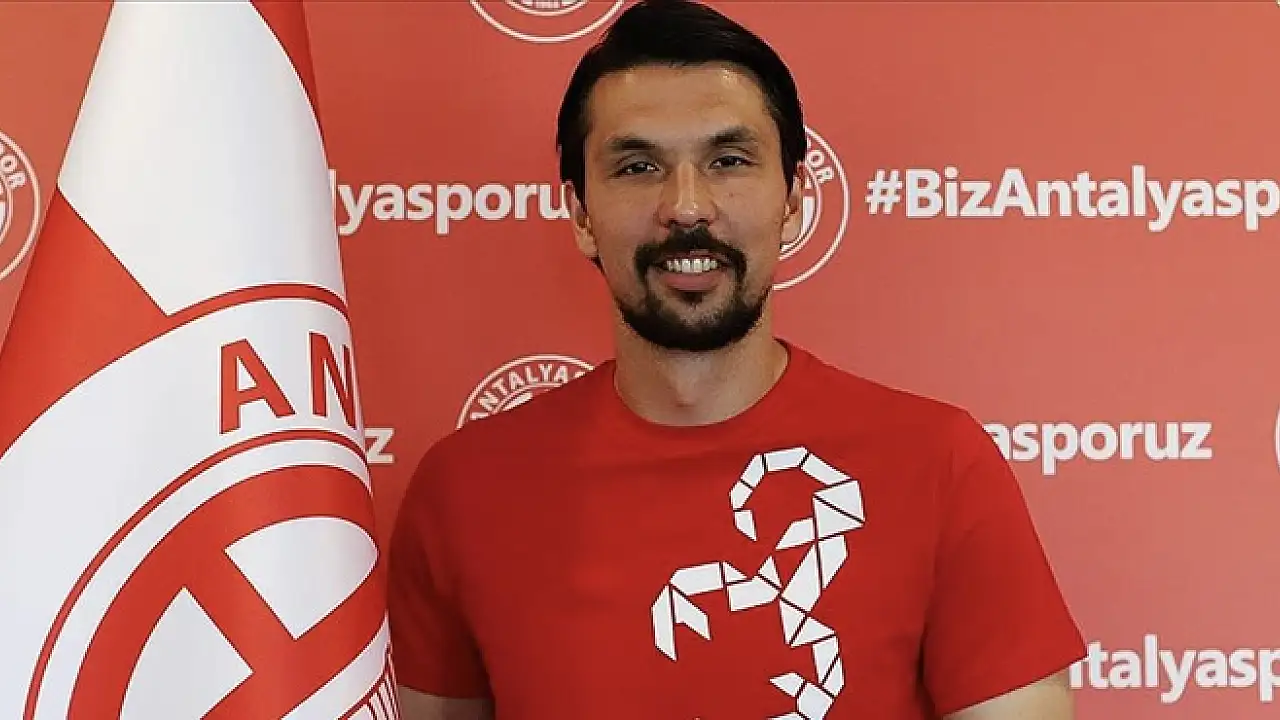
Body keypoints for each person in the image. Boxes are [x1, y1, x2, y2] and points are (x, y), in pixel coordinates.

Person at [387, 1, 1087, 718]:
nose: (687, 206)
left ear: (794, 199)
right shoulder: (464, 492)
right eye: (638, 167)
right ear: (581, 215)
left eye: (728, 161)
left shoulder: (940, 465)